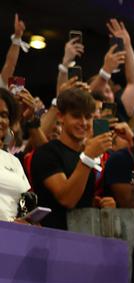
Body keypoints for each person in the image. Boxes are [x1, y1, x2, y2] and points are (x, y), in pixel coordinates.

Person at [28, 85, 113, 229]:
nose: (84, 123)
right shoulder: (46, 153)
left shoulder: (86, 156)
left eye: (88, 117)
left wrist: (99, 204)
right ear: (60, 116)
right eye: (76, 116)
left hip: (83, 240)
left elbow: (78, 203)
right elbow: (67, 199)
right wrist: (88, 157)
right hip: (50, 241)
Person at [0, 87, 31, 222]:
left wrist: (26, 219)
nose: (1, 120)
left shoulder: (14, 162)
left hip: (13, 236)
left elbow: (25, 203)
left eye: (4, 115)